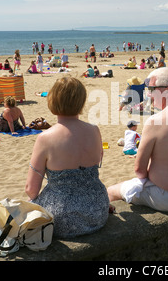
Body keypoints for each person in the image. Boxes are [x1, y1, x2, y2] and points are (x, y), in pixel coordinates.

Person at [107, 67, 168, 212]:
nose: (148, 94)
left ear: (165, 90)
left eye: (151, 89)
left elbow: (139, 170)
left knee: (111, 190)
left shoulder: (155, 121)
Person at [25, 76, 109, 239]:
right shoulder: (94, 130)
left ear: (52, 100)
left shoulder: (45, 138)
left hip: (61, 217)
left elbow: (31, 189)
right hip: (98, 210)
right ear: (81, 102)